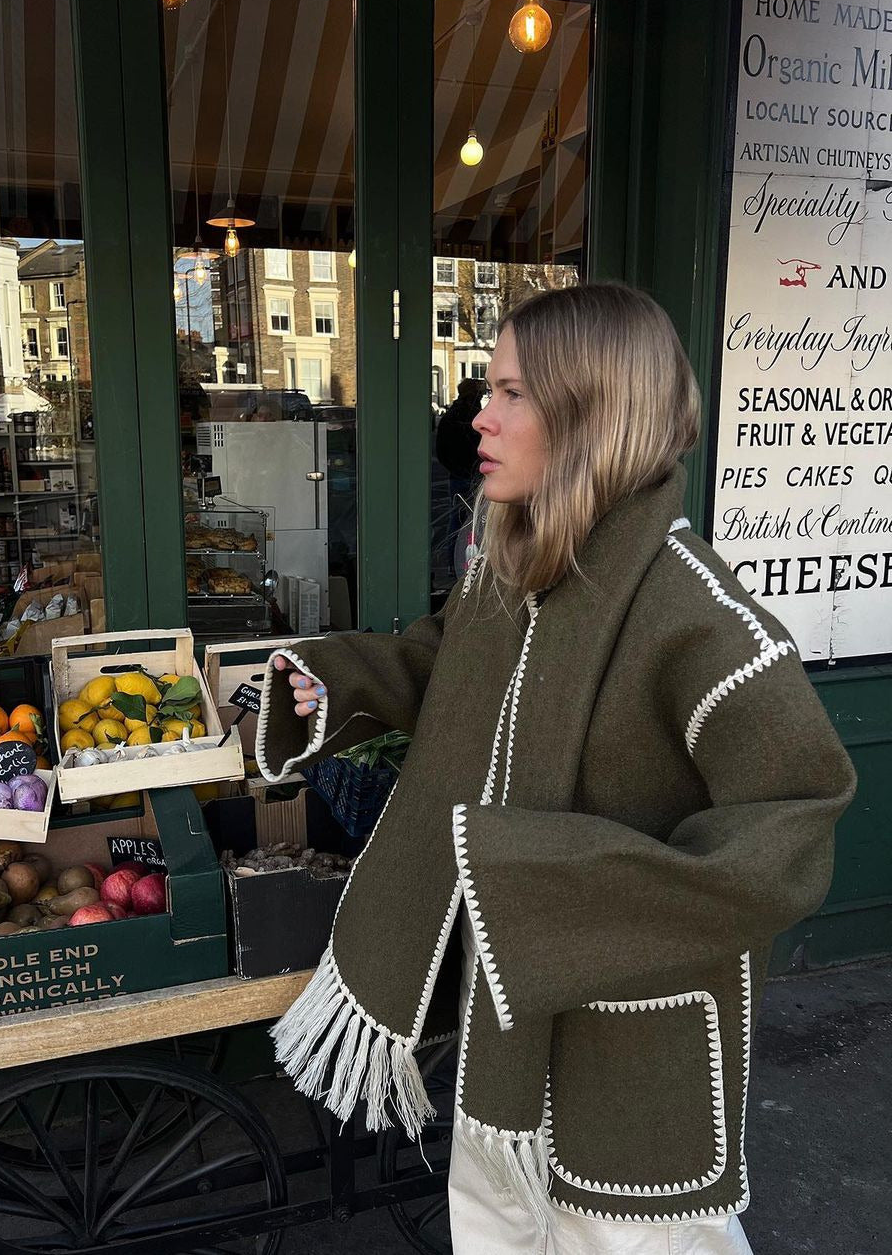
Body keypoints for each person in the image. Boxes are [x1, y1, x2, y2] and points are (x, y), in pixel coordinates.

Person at [254, 283, 855, 1254]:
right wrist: (339, 681)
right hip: (506, 1035)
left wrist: (559, 884)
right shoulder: (516, 564)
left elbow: (794, 827)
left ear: (593, 412)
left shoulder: (696, 615)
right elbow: (447, 663)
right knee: (496, 1225)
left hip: (631, 1053)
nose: (480, 416)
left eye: (512, 393)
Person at [435, 379, 487, 579]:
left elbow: (442, 450)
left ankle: (454, 566)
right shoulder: (470, 416)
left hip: (460, 475)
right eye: (480, 392)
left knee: (457, 522)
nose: (482, 396)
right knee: (475, 522)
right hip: (469, 475)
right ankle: (468, 567)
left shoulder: (452, 415)